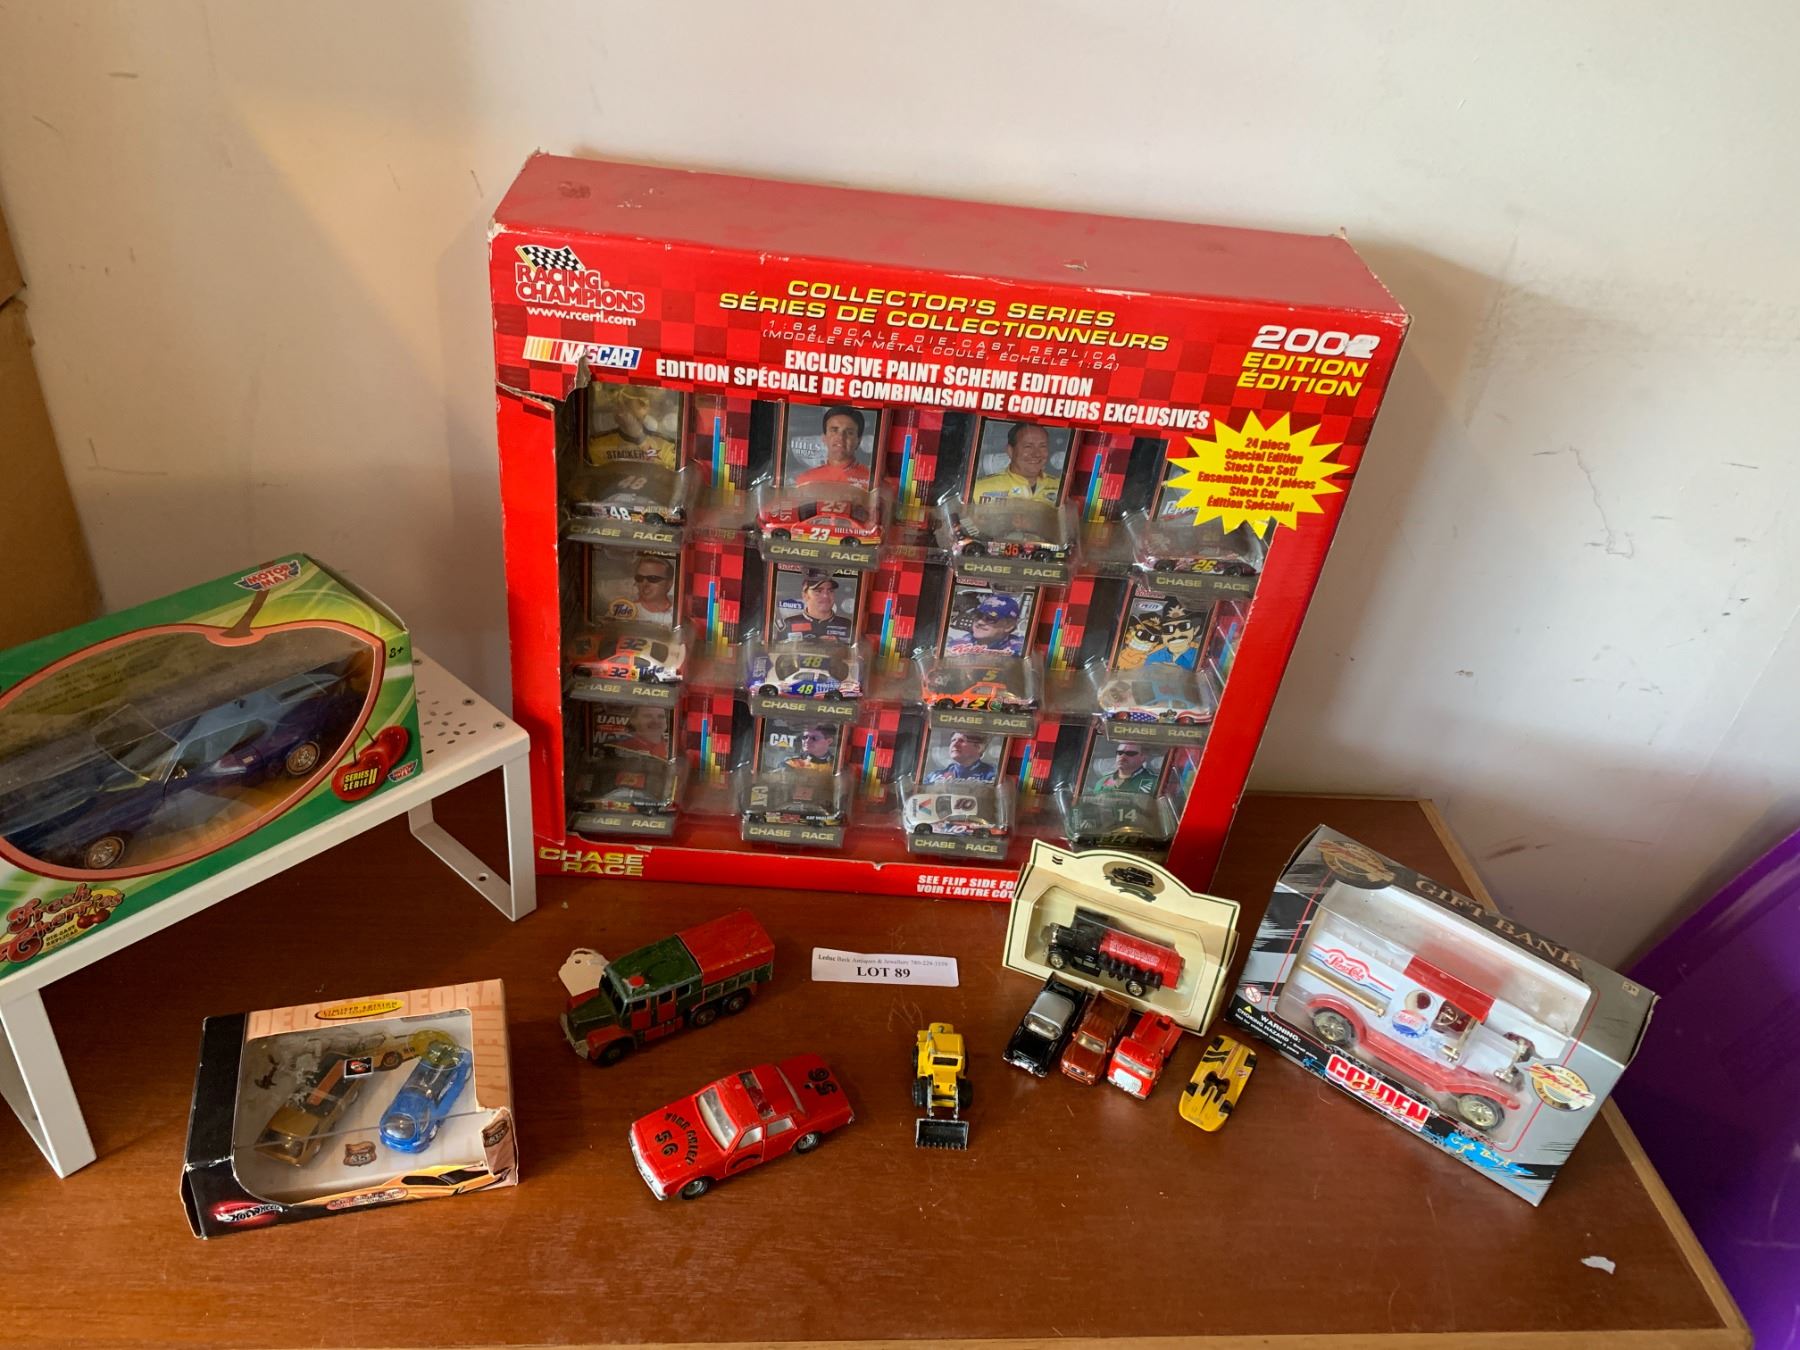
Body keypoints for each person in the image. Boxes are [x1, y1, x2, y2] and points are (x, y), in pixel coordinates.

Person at [588, 385, 677, 469]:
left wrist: (637, 435)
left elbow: (670, 475)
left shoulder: (666, 447)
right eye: (617, 405)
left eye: (626, 404)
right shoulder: (598, 445)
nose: (620, 412)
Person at [972, 421, 1059, 503]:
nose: (1036, 454)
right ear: (1010, 451)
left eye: (1043, 446)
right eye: (1028, 446)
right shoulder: (978, 489)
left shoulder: (1061, 488)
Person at [794, 407, 869, 487]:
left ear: (858, 441)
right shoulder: (805, 481)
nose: (840, 437)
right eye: (834, 430)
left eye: (849, 433)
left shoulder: (872, 481)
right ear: (824, 437)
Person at [777, 570, 854, 642]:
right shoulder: (788, 624)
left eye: (830, 591)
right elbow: (778, 650)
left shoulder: (848, 625)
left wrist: (838, 645)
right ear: (805, 595)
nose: (825, 596)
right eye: (818, 591)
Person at [946, 591, 1024, 656]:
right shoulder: (955, 645)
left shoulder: (1021, 651)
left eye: (990, 618)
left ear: (1009, 625)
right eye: (978, 615)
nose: (980, 622)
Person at [607, 553, 676, 623]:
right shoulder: (621, 611)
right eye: (640, 578)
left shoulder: (677, 615)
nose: (644, 583)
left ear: (669, 584)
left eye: (653, 578)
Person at [926, 731, 998, 784]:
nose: (954, 744)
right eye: (953, 740)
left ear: (978, 747)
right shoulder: (934, 776)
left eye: (961, 741)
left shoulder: (993, 775)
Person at [1095, 742, 1159, 794]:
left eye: (1130, 753)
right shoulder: (1103, 781)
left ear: (1143, 757)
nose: (1122, 757)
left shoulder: (1156, 782)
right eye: (1119, 753)